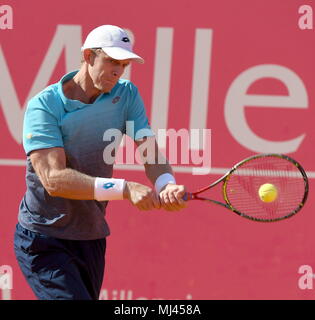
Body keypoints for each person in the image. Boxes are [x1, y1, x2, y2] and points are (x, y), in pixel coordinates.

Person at [14, 25, 187, 300]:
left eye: (124, 64)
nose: (118, 71)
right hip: (44, 237)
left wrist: (166, 184)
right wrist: (126, 189)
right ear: (88, 56)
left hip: (90, 236)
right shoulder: (44, 107)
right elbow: (53, 180)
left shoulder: (126, 95)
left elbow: (150, 153)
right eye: (112, 61)